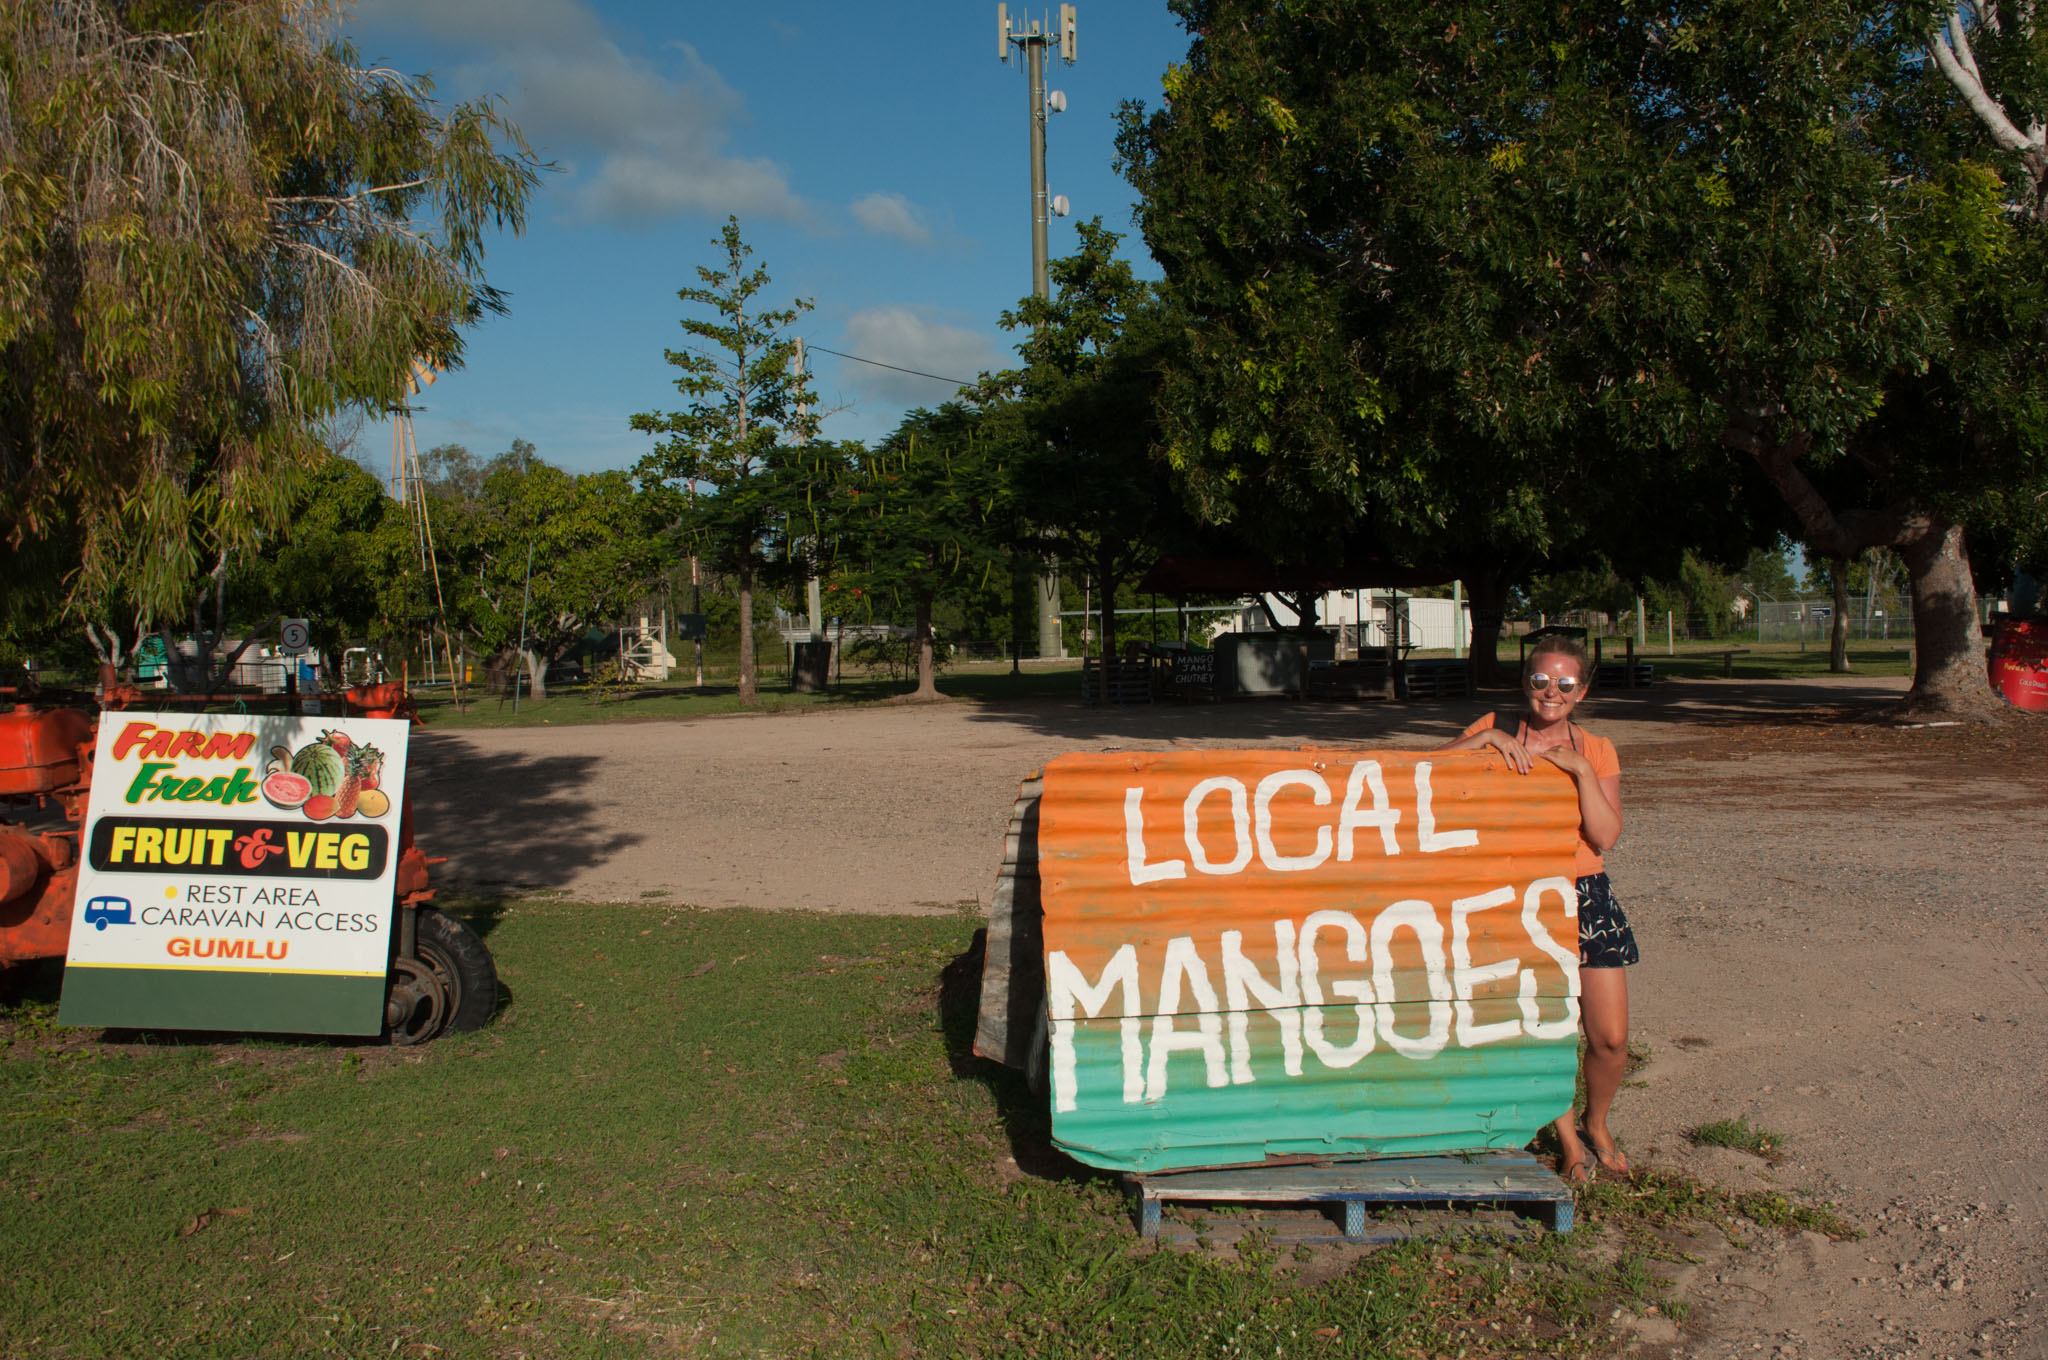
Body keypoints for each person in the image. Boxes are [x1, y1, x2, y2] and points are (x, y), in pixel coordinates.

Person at [1436, 634, 1633, 1183]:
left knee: (1610, 1036)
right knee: (1544, 1025)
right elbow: (1421, 772)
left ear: (1582, 690)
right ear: (1526, 683)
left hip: (1583, 893)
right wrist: (1484, 742)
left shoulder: (1596, 748)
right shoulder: (1495, 725)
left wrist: (1581, 773)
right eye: (1541, 680)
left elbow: (1606, 835)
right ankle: (1568, 1140)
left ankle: (1597, 1122)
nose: (1552, 692)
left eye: (1565, 684)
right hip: (1517, 893)